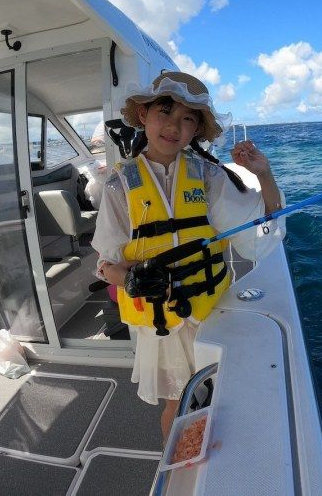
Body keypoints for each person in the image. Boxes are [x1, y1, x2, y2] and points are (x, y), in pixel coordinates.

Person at [92, 70, 285, 442]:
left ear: (196, 130)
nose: (173, 126)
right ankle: (179, 466)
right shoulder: (119, 185)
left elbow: (259, 232)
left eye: (187, 119)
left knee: (221, 393)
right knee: (178, 404)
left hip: (212, 312)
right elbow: (105, 264)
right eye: (165, 112)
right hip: (161, 325)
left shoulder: (209, 175)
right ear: (144, 116)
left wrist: (265, 175)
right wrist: (128, 279)